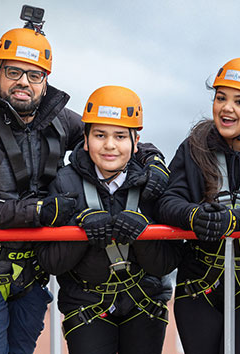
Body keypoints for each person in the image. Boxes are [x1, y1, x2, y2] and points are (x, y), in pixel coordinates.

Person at [0, 8, 170, 353]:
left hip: (30, 276)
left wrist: (155, 162)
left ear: (45, 80)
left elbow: (109, 137)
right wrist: (38, 211)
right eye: (14, 72)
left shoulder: (57, 119)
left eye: (35, 75)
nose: (24, 82)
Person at [36, 86, 181, 354]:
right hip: (86, 303)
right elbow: (51, 263)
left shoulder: (153, 184)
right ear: (86, 138)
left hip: (144, 300)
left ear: (136, 142)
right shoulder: (63, 182)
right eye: (100, 135)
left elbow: (165, 264)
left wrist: (143, 234)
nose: (110, 145)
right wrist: (79, 230)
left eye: (120, 136)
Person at [158, 57, 240, 354]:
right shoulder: (193, 147)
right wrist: (193, 215)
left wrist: (236, 221)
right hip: (199, 283)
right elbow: (167, 200)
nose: (227, 108)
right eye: (221, 98)